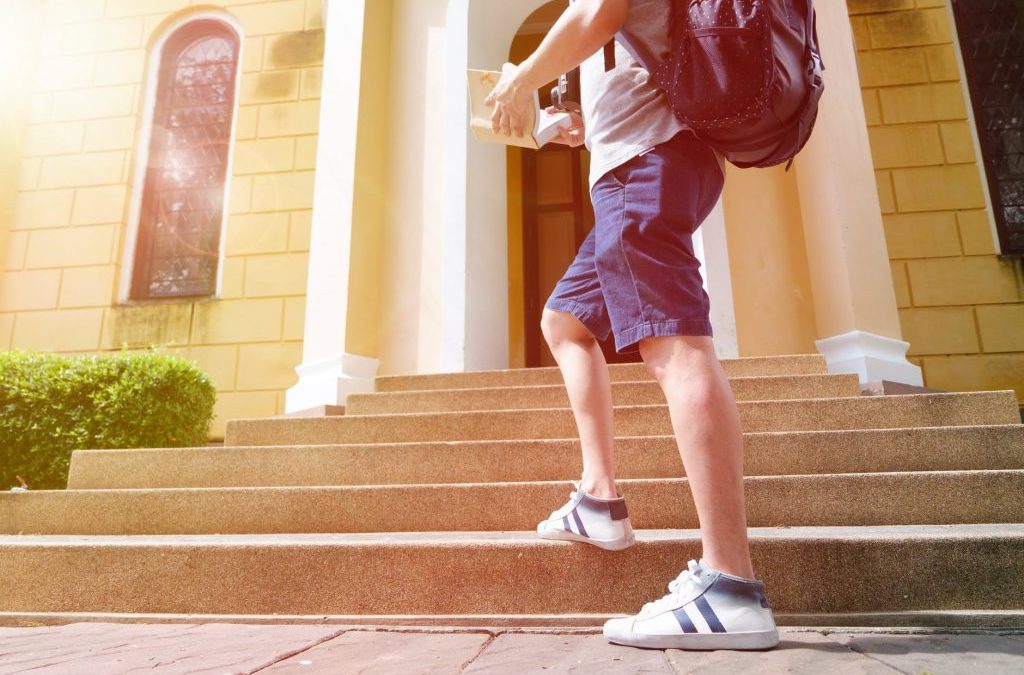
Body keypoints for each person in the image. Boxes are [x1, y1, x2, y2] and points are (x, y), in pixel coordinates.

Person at [484, 0, 780, 651]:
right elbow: (642, 52)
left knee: (676, 348)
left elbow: (598, 13)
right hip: (656, 157)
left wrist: (520, 78)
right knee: (565, 320)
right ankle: (600, 499)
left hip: (641, 169)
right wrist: (581, 126)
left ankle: (730, 582)